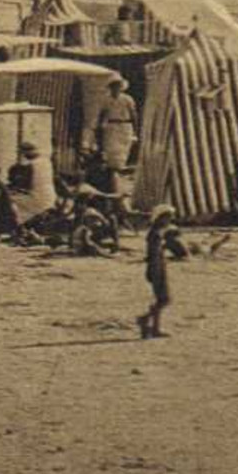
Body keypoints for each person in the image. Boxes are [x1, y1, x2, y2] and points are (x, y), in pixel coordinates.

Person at [137, 205, 177, 339]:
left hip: (157, 266)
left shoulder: (156, 232)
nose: (170, 219)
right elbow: (153, 254)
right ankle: (145, 320)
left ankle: (154, 327)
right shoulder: (155, 233)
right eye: (168, 217)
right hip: (157, 267)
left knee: (161, 299)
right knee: (164, 299)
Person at [94, 76, 138, 178]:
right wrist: (98, 126)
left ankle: (119, 172)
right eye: (113, 86)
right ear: (110, 88)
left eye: (117, 86)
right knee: (111, 149)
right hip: (111, 126)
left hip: (125, 125)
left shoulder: (127, 99)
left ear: (121, 87)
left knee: (123, 150)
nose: (115, 88)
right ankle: (112, 173)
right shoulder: (106, 99)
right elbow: (102, 114)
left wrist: (136, 130)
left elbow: (134, 115)